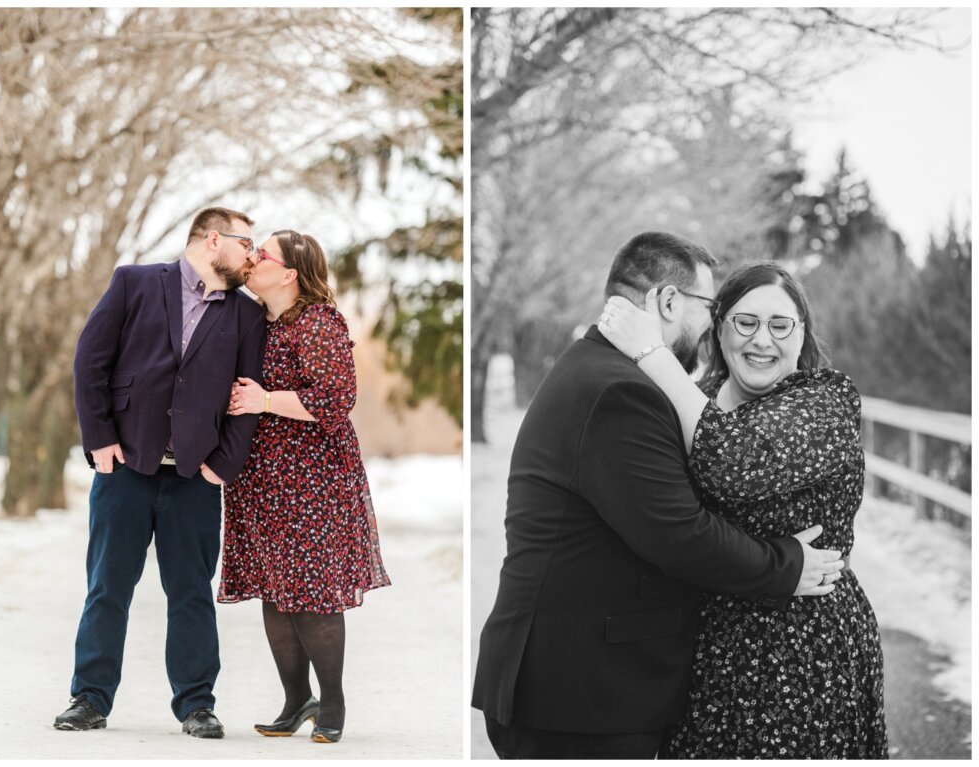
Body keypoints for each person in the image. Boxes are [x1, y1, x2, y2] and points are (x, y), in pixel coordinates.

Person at [472, 232, 845, 760]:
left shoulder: (604, 371)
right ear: (670, 302)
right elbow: (678, 533)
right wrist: (785, 565)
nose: (711, 324)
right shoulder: (618, 389)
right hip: (578, 697)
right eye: (712, 307)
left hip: (582, 692)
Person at [598, 261, 887, 758]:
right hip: (703, 646)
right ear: (719, 327)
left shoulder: (824, 402)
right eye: (745, 322)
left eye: (780, 326)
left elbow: (735, 464)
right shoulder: (697, 397)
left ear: (801, 336)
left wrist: (651, 352)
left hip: (801, 651)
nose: (762, 341)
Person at [57, 207, 267, 738]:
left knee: (192, 591)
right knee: (107, 586)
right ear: (214, 239)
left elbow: (247, 399)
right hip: (125, 465)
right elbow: (91, 360)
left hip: (196, 477)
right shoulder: (135, 283)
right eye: (247, 244)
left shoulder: (246, 315)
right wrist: (99, 436)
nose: (253, 255)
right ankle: (89, 698)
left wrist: (224, 467)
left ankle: (197, 704)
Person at [218, 229, 391, 744]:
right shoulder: (254, 322)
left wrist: (264, 401)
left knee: (312, 591)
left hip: (312, 477)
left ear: (289, 273)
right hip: (261, 477)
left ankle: (332, 702)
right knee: (276, 588)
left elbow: (336, 400)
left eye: (262, 253)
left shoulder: (316, 323)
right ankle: (297, 700)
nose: (252, 259)